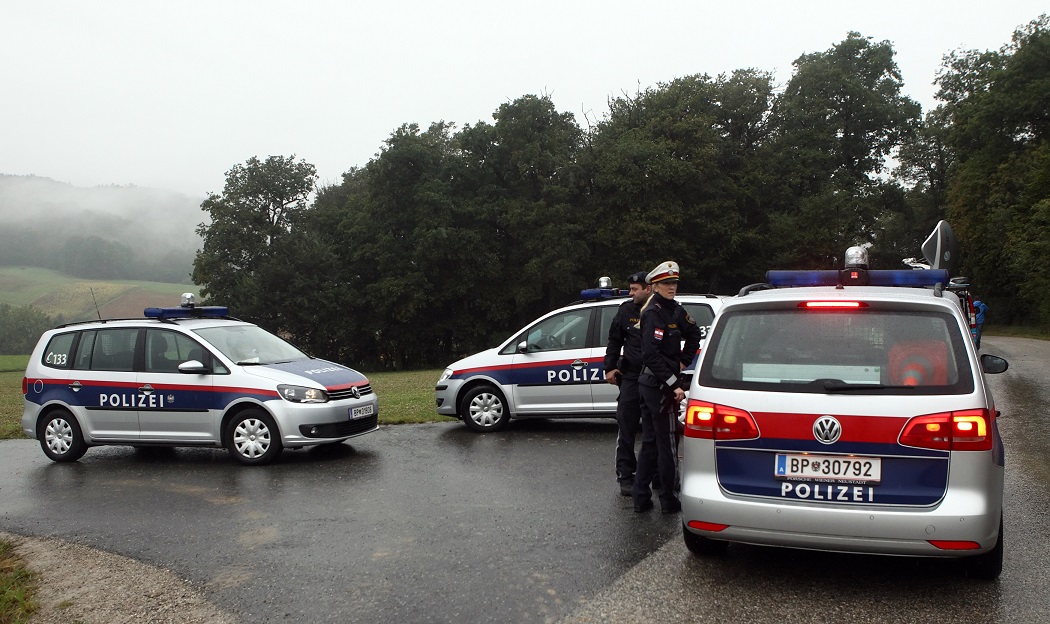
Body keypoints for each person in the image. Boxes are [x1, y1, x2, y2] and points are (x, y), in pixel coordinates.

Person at [633, 261, 702, 514]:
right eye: (666, 284)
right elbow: (651, 356)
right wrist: (673, 383)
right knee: (668, 445)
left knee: (652, 443)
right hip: (657, 385)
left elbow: (694, 333)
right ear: (655, 286)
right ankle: (669, 499)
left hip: (657, 383)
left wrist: (684, 360)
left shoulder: (675, 310)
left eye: (674, 283)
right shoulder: (653, 313)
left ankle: (641, 498)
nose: (671, 287)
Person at [604, 271, 653, 497]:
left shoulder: (662, 309)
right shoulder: (625, 310)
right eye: (630, 289)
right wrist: (610, 367)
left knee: (657, 432)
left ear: (648, 289)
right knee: (626, 428)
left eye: (635, 289)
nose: (631, 293)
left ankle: (657, 476)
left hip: (655, 377)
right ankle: (626, 476)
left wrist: (681, 362)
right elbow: (614, 341)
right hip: (631, 377)